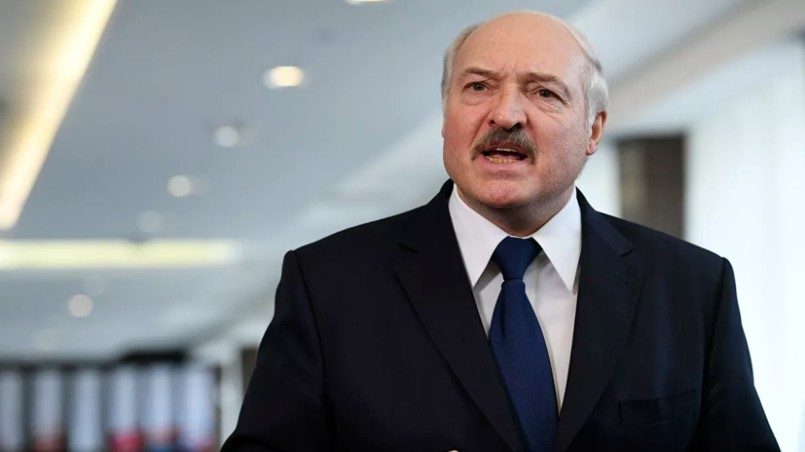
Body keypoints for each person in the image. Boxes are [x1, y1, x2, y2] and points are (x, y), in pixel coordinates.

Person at [222, 11, 778, 451]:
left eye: (543, 92)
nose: (506, 114)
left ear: (593, 130)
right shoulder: (330, 285)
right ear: (447, 116)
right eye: (478, 87)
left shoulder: (690, 286)